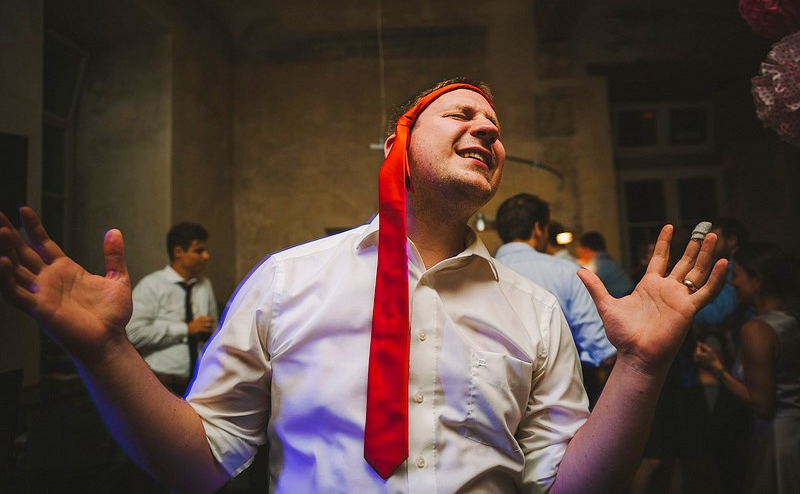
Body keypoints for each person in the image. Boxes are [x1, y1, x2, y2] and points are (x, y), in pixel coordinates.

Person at [0, 77, 727, 493]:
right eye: (462, 114)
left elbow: (569, 485)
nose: (487, 130)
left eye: (495, 126)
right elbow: (198, 463)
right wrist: (105, 352)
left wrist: (641, 366)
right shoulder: (287, 281)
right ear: (398, 146)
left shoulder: (534, 310)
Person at [694, 243, 800, 493]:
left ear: (758, 281)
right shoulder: (792, 321)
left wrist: (716, 368)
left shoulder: (757, 330)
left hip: (777, 439)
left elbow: (761, 404)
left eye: (736, 275)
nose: (732, 283)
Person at [494, 193, 615, 407]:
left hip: (496, 398)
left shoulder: (476, 273)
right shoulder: (569, 272)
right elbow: (598, 346)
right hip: (559, 400)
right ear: (538, 228)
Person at [125, 222, 218, 396]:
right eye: (199, 251)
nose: (206, 256)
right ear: (178, 252)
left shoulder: (205, 285)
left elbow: (215, 332)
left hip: (199, 384)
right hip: (161, 382)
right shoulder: (151, 285)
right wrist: (186, 329)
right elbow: (133, 333)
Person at [576, 231, 636, 298]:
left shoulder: (598, 265)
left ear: (586, 249)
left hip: (625, 299)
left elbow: (583, 289)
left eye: (579, 247)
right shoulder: (606, 261)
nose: (578, 250)